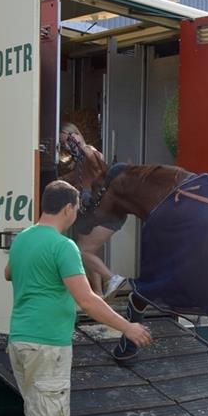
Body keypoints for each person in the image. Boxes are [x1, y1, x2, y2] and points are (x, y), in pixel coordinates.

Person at [4, 180, 152, 416]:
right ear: (69, 208)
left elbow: (8, 273)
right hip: (47, 345)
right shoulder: (64, 247)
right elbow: (87, 300)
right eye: (77, 209)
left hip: (20, 340)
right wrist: (128, 327)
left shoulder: (23, 238)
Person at [59, 123, 127, 299]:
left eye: (68, 140)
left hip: (108, 213)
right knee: (88, 251)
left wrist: (79, 145)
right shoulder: (78, 163)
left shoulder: (90, 152)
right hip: (95, 212)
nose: (67, 146)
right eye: (64, 144)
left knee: (81, 251)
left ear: (76, 135)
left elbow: (97, 163)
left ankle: (112, 278)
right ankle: (97, 293)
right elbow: (73, 178)